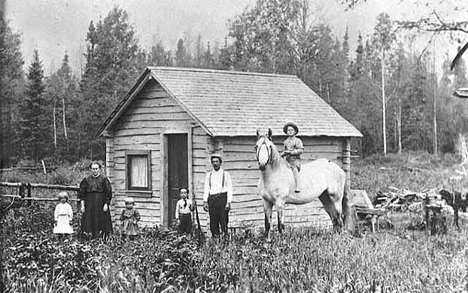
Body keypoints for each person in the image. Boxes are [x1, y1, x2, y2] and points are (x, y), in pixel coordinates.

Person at [78, 161, 113, 239]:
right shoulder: (86, 180)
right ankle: (89, 238)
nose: (95, 170)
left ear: (99, 169)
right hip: (89, 204)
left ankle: (102, 238)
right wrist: (82, 206)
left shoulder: (104, 180)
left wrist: (106, 204)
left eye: (96, 169)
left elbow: (108, 193)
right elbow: (82, 194)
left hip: (101, 204)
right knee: (88, 221)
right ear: (90, 169)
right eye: (93, 169)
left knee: (102, 221)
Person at [203, 153, 233, 239]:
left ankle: (225, 240)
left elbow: (230, 188)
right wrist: (205, 201)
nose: (215, 163)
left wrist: (228, 202)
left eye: (217, 161)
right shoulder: (209, 175)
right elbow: (206, 188)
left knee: (223, 221)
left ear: (220, 162)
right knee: (213, 221)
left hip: (222, 199)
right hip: (212, 200)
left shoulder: (225, 174)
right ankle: (216, 241)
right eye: (213, 162)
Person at [281, 122, 304, 193]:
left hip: (295, 159)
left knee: (294, 169)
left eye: (292, 130)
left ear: (295, 131)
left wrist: (291, 152)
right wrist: (282, 154)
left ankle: (297, 186)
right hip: (287, 159)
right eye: (288, 130)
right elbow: (284, 150)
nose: (290, 131)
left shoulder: (297, 141)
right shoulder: (286, 141)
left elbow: (300, 150)